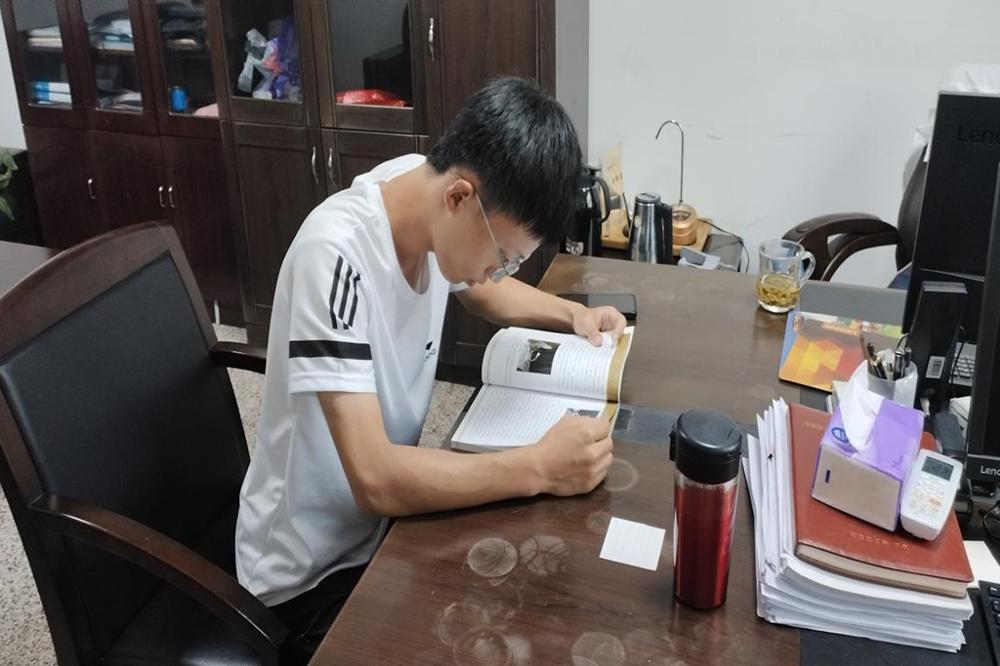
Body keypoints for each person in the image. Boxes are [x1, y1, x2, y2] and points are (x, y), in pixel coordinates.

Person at [234, 77, 626, 663]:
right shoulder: (333, 257)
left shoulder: (422, 187)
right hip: (308, 578)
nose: (500, 271)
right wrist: (539, 467)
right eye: (505, 256)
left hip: (383, 533)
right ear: (460, 197)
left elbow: (481, 288)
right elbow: (376, 479)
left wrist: (573, 315)